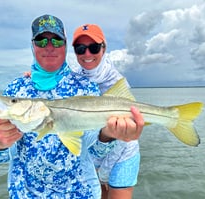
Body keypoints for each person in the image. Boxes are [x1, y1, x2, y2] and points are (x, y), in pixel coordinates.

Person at [0, 14, 144, 199]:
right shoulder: (16, 89)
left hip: (80, 193)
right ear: (32, 45)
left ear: (65, 45)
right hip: (26, 193)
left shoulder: (86, 87)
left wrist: (108, 135)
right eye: (41, 41)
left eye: (56, 40)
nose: (49, 47)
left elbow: (95, 152)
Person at [72, 24, 141, 199]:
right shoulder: (72, 78)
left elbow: (128, 131)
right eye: (80, 49)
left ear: (104, 48)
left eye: (93, 48)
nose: (87, 54)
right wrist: (33, 77)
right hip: (92, 151)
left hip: (123, 152)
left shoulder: (117, 81)